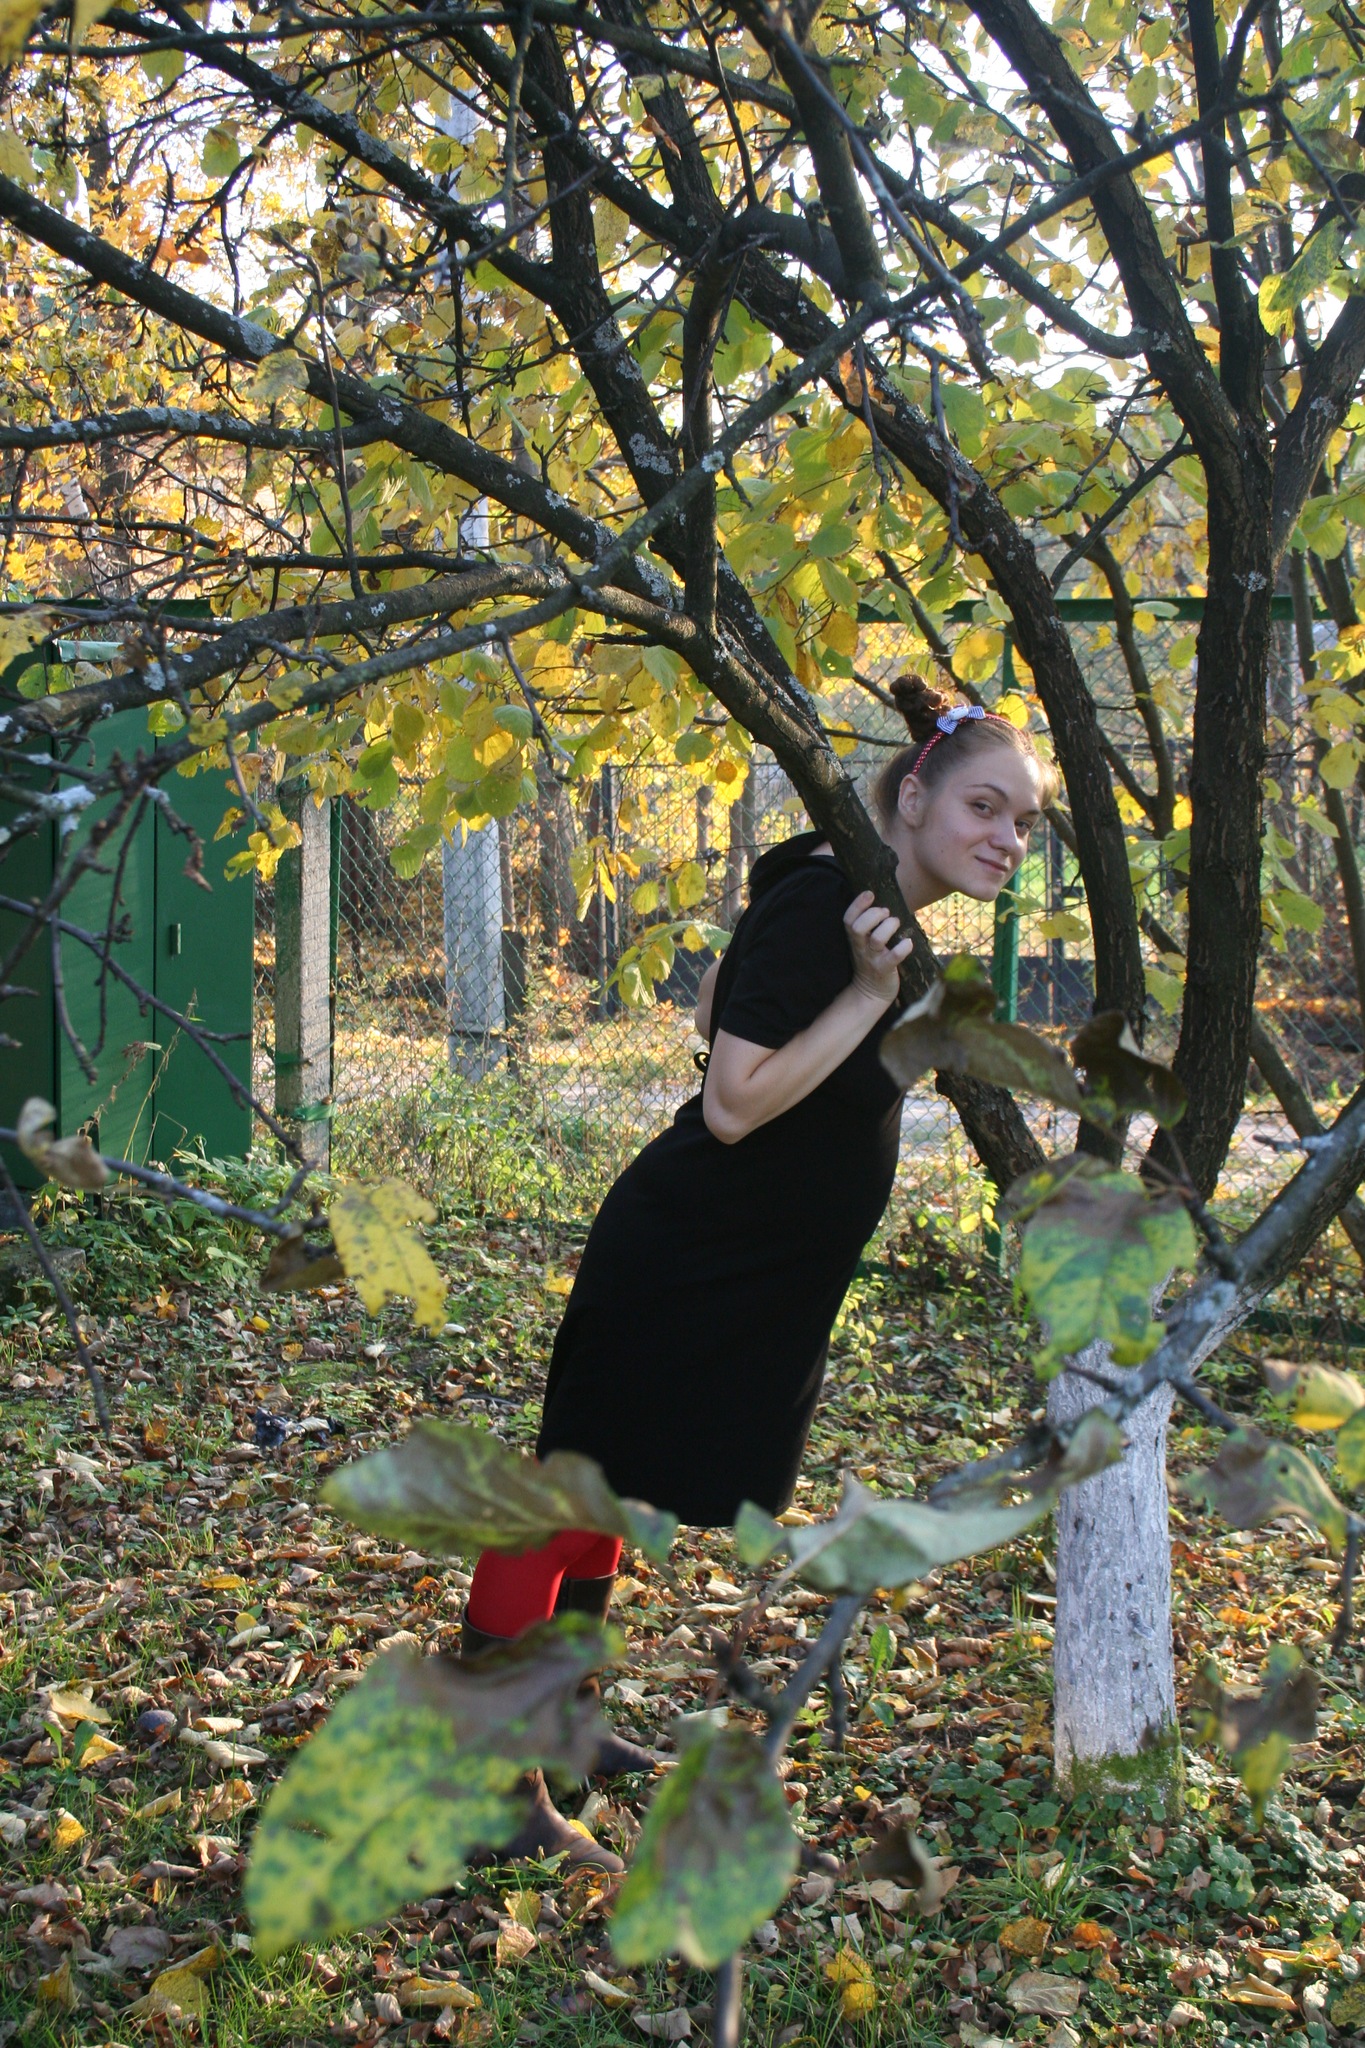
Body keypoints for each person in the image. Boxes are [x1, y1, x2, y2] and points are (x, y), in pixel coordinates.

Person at [460, 675, 1059, 1867]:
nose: (1007, 837)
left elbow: (721, 1009)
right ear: (914, 795)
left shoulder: (858, 904)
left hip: (745, 1270)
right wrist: (873, 996)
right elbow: (732, 1099)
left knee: (615, 1492)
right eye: (985, 806)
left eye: (1026, 821)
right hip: (688, 1256)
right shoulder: (832, 908)